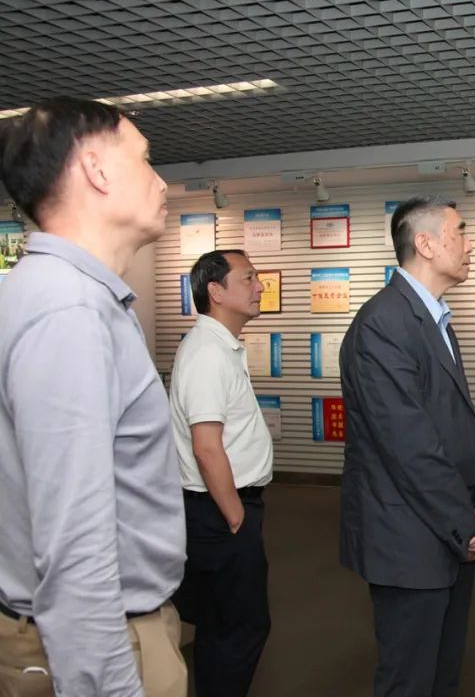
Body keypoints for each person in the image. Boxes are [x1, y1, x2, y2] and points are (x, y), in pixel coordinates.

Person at [0, 97, 187, 695]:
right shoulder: (69, 310)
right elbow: (74, 546)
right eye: (145, 158)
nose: (162, 181)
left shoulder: (57, 295)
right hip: (104, 646)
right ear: (96, 170)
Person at [340, 195, 475, 697]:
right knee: (410, 679)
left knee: (442, 673)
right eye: (461, 232)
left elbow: (461, 426)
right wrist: (464, 523)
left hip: (447, 529)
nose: (471, 245)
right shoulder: (384, 323)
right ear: (426, 244)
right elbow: (408, 447)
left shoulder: (431, 317)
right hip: (410, 540)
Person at [169, 249, 273, 696]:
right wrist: (235, 516)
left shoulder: (220, 347)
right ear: (215, 291)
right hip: (218, 514)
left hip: (219, 511)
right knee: (240, 628)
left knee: (222, 626)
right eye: (248, 278)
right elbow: (207, 447)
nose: (259, 286)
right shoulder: (207, 353)